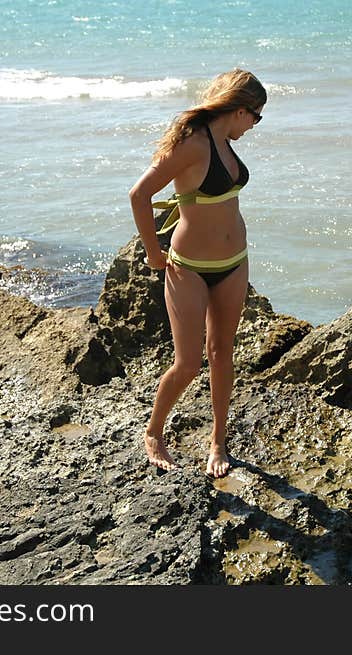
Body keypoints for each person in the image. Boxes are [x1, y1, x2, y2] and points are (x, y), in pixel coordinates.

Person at [128, 69, 266, 478]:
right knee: (188, 363)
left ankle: (218, 441)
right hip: (188, 268)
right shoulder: (193, 143)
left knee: (222, 354)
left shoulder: (225, 140)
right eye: (256, 117)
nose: (255, 126)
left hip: (234, 263)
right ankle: (154, 432)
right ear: (241, 110)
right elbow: (139, 194)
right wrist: (153, 252)